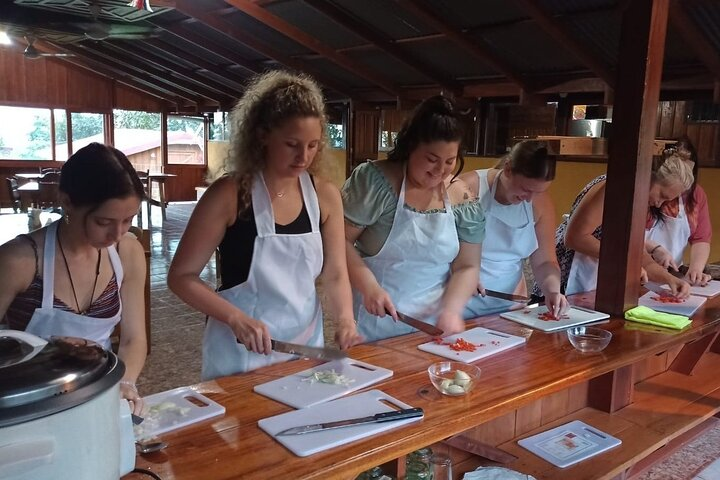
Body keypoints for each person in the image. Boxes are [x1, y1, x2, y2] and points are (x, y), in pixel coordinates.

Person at [167, 71, 361, 381]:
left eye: (313, 145)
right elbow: (181, 277)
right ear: (261, 135)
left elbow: (336, 272)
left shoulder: (324, 196)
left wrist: (346, 320)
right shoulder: (230, 195)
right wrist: (234, 318)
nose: (303, 157)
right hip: (239, 350)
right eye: (292, 144)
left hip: (304, 343)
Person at [0, 143, 147, 415]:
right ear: (67, 202)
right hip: (30, 400)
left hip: (102, 389)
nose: (118, 233)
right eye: (104, 222)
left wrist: (125, 383)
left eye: (128, 219)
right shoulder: (19, 261)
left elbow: (133, 338)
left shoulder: (127, 252)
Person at [342, 95, 485, 342]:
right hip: (375, 323)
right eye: (431, 159)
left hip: (434, 328)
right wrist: (368, 286)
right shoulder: (376, 182)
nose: (440, 170)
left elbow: (467, 266)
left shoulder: (461, 196)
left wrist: (452, 311)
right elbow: (337, 242)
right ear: (410, 147)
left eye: (450, 161)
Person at [543, 149, 693, 298]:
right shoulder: (612, 187)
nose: (659, 204)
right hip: (565, 279)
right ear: (647, 177)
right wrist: (624, 263)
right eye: (661, 195)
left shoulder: (640, 200)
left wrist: (670, 279)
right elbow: (574, 237)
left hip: (595, 281)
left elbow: (639, 253)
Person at [460, 141, 569, 319]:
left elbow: (545, 262)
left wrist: (552, 290)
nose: (529, 198)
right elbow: (439, 249)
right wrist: (461, 273)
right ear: (508, 169)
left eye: (538, 192)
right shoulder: (466, 188)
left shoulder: (540, 203)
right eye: (525, 189)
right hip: (460, 302)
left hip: (510, 306)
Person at [645, 137, 712, 286]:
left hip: (670, 278)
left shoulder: (695, 195)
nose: (659, 203)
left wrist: (695, 270)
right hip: (640, 273)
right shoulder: (643, 193)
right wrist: (655, 249)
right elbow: (628, 239)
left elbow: (701, 238)